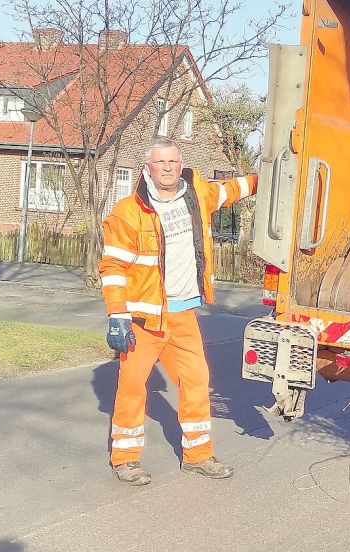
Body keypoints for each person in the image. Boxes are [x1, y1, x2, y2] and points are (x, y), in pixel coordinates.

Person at [99, 137, 257, 486]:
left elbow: (231, 189)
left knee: (197, 380)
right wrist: (116, 315)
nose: (168, 167)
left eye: (173, 161)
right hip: (144, 318)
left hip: (183, 313)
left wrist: (270, 176)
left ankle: (198, 455)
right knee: (133, 385)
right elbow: (112, 266)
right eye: (160, 162)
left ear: (180, 163)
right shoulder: (128, 211)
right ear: (148, 169)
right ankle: (125, 459)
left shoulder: (196, 196)